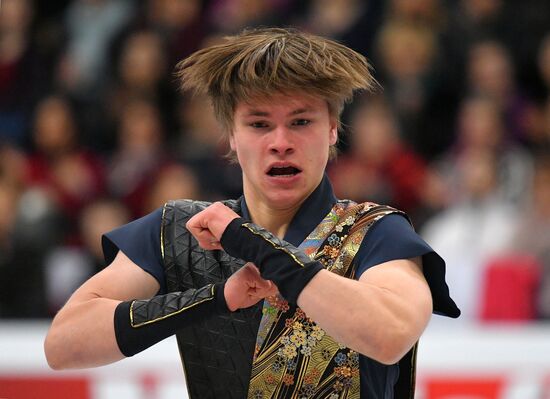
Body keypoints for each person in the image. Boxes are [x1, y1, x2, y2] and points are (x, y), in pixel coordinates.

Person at [44, 27, 460, 398]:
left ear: (332, 128)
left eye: (300, 122)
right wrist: (214, 298)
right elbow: (63, 344)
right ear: (231, 135)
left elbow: (390, 335)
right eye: (259, 125)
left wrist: (256, 246)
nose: (280, 142)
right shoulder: (183, 231)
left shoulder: (377, 231)